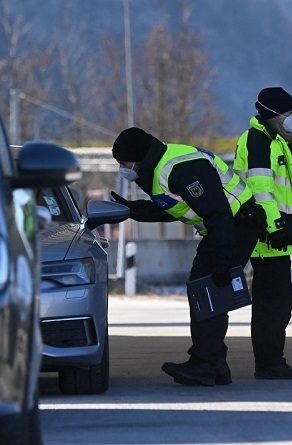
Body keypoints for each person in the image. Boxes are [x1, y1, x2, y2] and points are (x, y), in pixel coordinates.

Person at [110, 127, 266, 386]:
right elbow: (175, 208)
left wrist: (222, 262)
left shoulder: (182, 167)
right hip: (224, 227)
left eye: (123, 162)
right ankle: (214, 364)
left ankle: (206, 364)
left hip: (235, 225)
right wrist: (133, 209)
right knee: (203, 290)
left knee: (209, 291)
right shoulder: (158, 168)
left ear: (137, 157)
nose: (123, 168)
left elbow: (219, 214)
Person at [233, 87, 292, 380]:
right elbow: (260, 188)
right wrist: (275, 225)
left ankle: (272, 360)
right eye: (288, 114)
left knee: (279, 302)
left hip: (279, 236)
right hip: (269, 238)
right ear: (274, 114)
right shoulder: (259, 140)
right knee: (272, 304)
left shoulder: (276, 140)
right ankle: (269, 363)